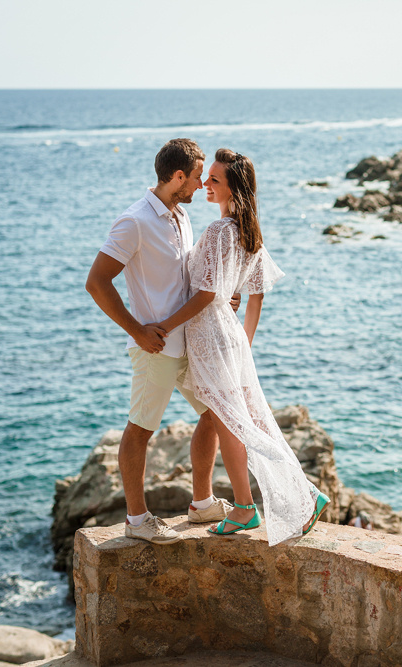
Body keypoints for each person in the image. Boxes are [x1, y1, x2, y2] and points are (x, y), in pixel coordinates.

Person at [152, 148, 329, 545]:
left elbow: (205, 295)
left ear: (233, 188)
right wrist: (244, 343)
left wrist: (163, 325)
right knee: (240, 419)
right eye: (207, 178)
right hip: (230, 335)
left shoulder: (218, 232)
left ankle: (251, 508)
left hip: (212, 336)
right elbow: (256, 296)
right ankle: (297, 495)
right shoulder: (249, 232)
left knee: (234, 422)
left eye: (215, 180)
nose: (206, 185)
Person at [85, 138, 238, 545]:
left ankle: (202, 502)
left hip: (191, 342)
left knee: (214, 413)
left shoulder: (181, 215)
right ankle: (137, 520)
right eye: (197, 176)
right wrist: (136, 330)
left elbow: (185, 278)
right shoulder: (134, 221)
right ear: (177, 177)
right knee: (140, 430)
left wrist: (221, 294)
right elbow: (97, 282)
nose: (202, 183)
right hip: (155, 348)